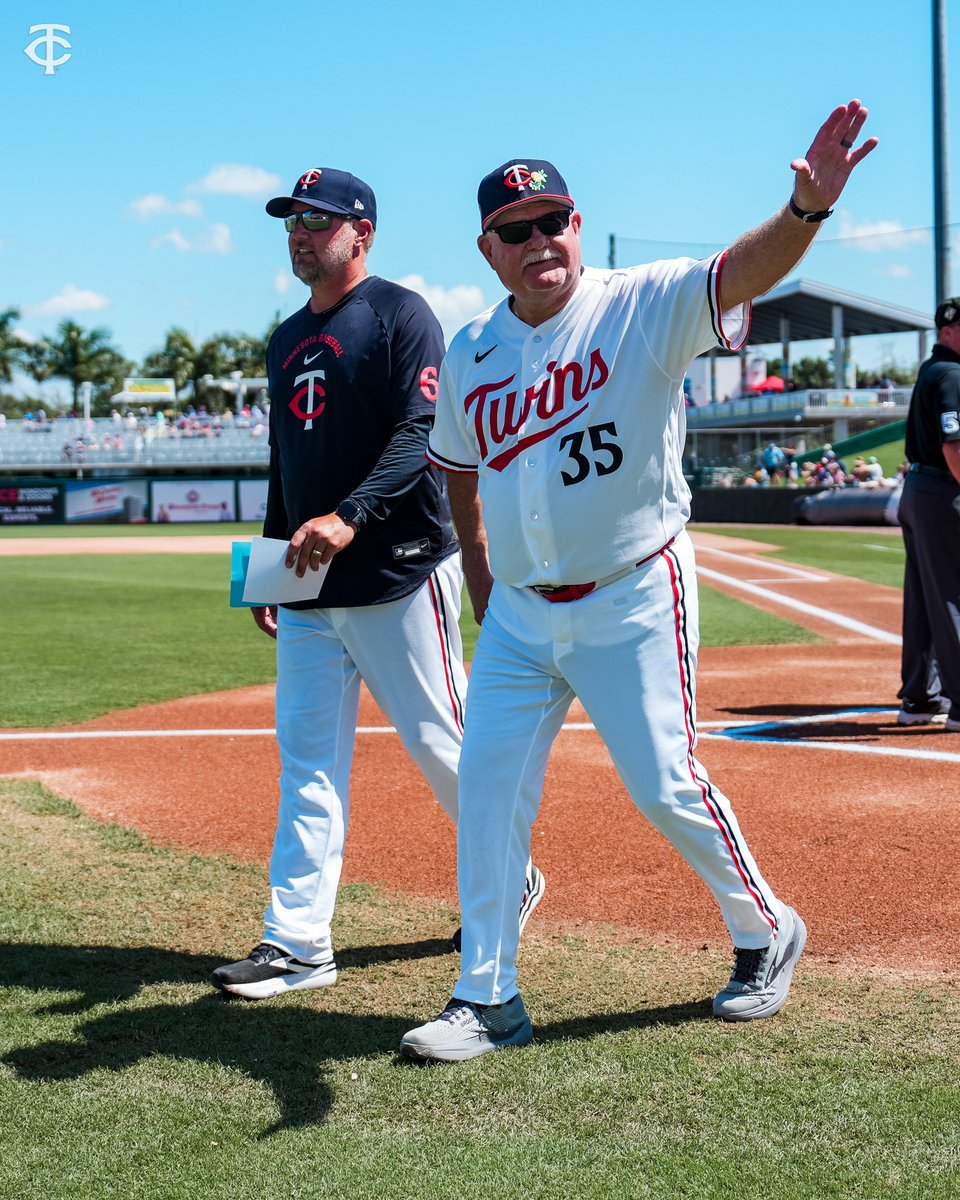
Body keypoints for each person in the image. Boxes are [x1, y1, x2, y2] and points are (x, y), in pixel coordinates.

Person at [400, 99, 878, 1062]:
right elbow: (455, 462)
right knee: (488, 791)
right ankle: (486, 996)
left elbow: (739, 272)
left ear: (575, 226)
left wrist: (805, 213)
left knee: (663, 784)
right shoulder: (472, 351)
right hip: (525, 613)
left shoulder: (639, 302)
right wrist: (483, 568)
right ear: (488, 249)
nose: (541, 240)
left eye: (554, 221)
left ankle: (763, 928)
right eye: (516, 230)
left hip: (632, 589)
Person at [211, 167, 544, 1000]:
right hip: (311, 587)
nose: (300, 234)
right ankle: (296, 943)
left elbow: (420, 432)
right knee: (307, 764)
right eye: (292, 221)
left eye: (317, 222)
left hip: (398, 571)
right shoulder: (285, 338)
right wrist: (267, 562)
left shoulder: (400, 314)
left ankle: (513, 879)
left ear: (361, 232)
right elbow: (286, 459)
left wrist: (352, 515)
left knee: (447, 751)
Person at [896, 296, 960, 732]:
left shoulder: (930, 369)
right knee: (953, 595)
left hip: (918, 491)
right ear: (949, 331)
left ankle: (920, 696)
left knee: (924, 599)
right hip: (942, 489)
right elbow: (954, 444)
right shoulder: (953, 374)